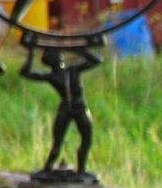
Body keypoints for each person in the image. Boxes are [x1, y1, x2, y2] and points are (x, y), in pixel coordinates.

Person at [21, 45, 102, 179]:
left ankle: (81, 170)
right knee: (57, 140)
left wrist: (80, 50)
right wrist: (30, 52)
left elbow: (97, 60)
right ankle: (48, 168)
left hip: (80, 107)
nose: (60, 57)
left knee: (86, 138)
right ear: (50, 61)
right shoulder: (51, 76)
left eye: (59, 55)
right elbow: (25, 73)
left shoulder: (73, 70)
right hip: (65, 109)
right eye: (56, 56)